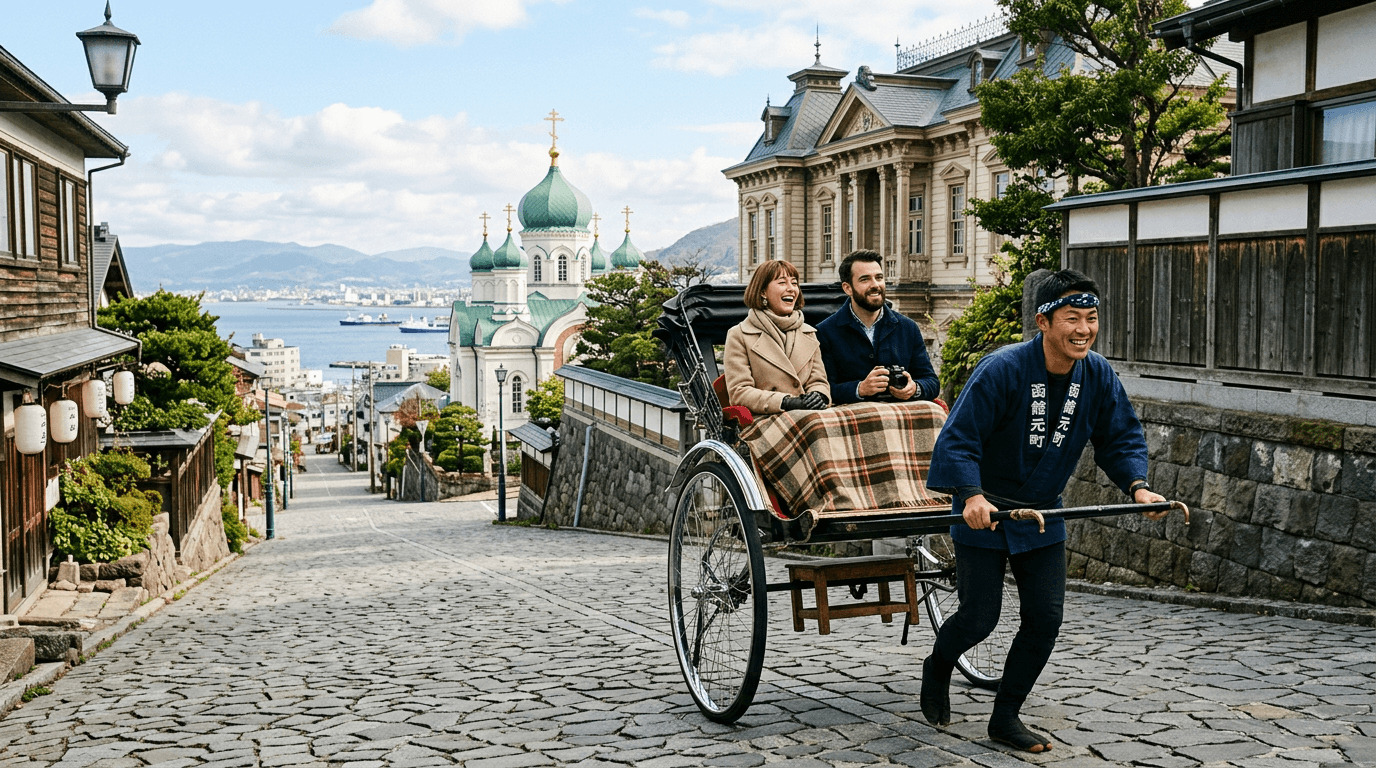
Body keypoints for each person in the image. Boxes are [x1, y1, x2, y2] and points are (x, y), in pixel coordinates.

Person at [921, 269, 1169, 753]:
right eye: (1072, 318)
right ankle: (939, 663)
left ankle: (1006, 716)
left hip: (1043, 515)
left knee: (1045, 618)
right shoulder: (1002, 369)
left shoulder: (1097, 374)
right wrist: (970, 495)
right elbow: (960, 438)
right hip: (985, 509)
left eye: (1091, 319)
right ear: (1043, 322)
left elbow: (1120, 436)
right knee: (979, 617)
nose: (1083, 329)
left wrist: (1139, 488)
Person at [815, 250, 939, 406]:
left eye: (879, 277)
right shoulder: (825, 332)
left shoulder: (908, 328)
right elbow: (822, 390)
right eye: (865, 279)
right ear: (847, 288)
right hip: (851, 422)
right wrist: (860, 389)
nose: (875, 285)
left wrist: (915, 388)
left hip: (900, 421)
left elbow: (932, 382)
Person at [724, 259, 829, 416]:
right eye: (782, 283)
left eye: (794, 283)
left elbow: (818, 381)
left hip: (808, 414)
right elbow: (739, 392)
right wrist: (785, 401)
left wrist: (819, 395)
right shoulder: (739, 335)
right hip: (766, 417)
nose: (791, 289)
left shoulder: (808, 333)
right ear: (762, 292)